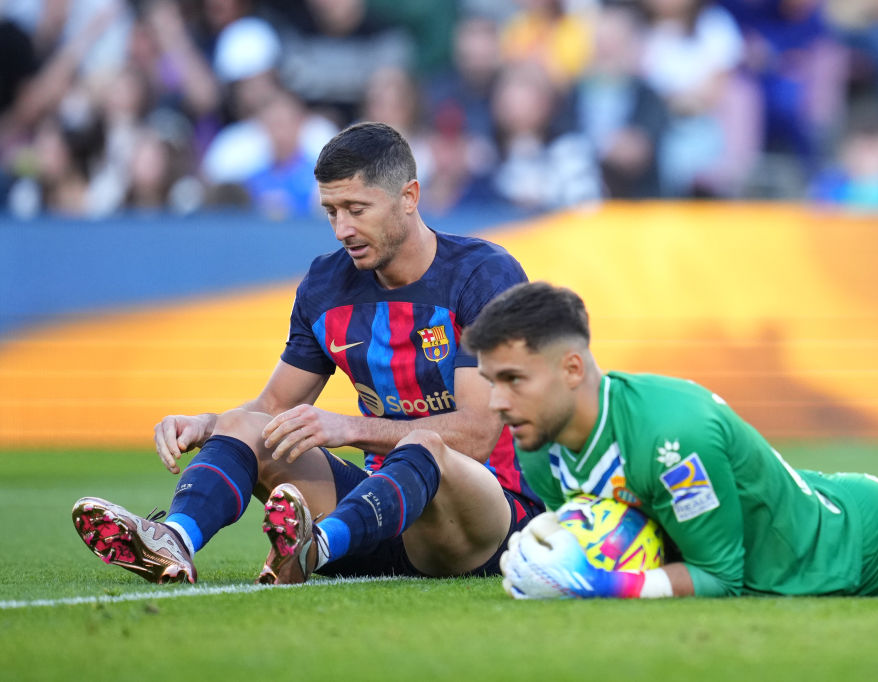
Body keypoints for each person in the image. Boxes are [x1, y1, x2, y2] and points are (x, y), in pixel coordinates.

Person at [71, 121, 543, 585]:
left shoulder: (484, 275)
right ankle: (174, 539)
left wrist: (349, 429)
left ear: (409, 197)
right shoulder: (325, 284)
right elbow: (272, 408)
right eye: (331, 211)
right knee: (244, 424)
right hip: (377, 518)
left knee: (425, 447)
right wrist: (208, 425)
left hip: (482, 524)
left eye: (357, 209)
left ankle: (314, 545)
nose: (342, 229)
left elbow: (478, 434)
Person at [463, 281, 878, 599]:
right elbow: (623, 541)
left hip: (861, 543)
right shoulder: (539, 447)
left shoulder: (670, 435)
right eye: (491, 382)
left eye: (514, 379)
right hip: (789, 561)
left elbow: (719, 577)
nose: (497, 402)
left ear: (571, 369)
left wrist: (602, 586)